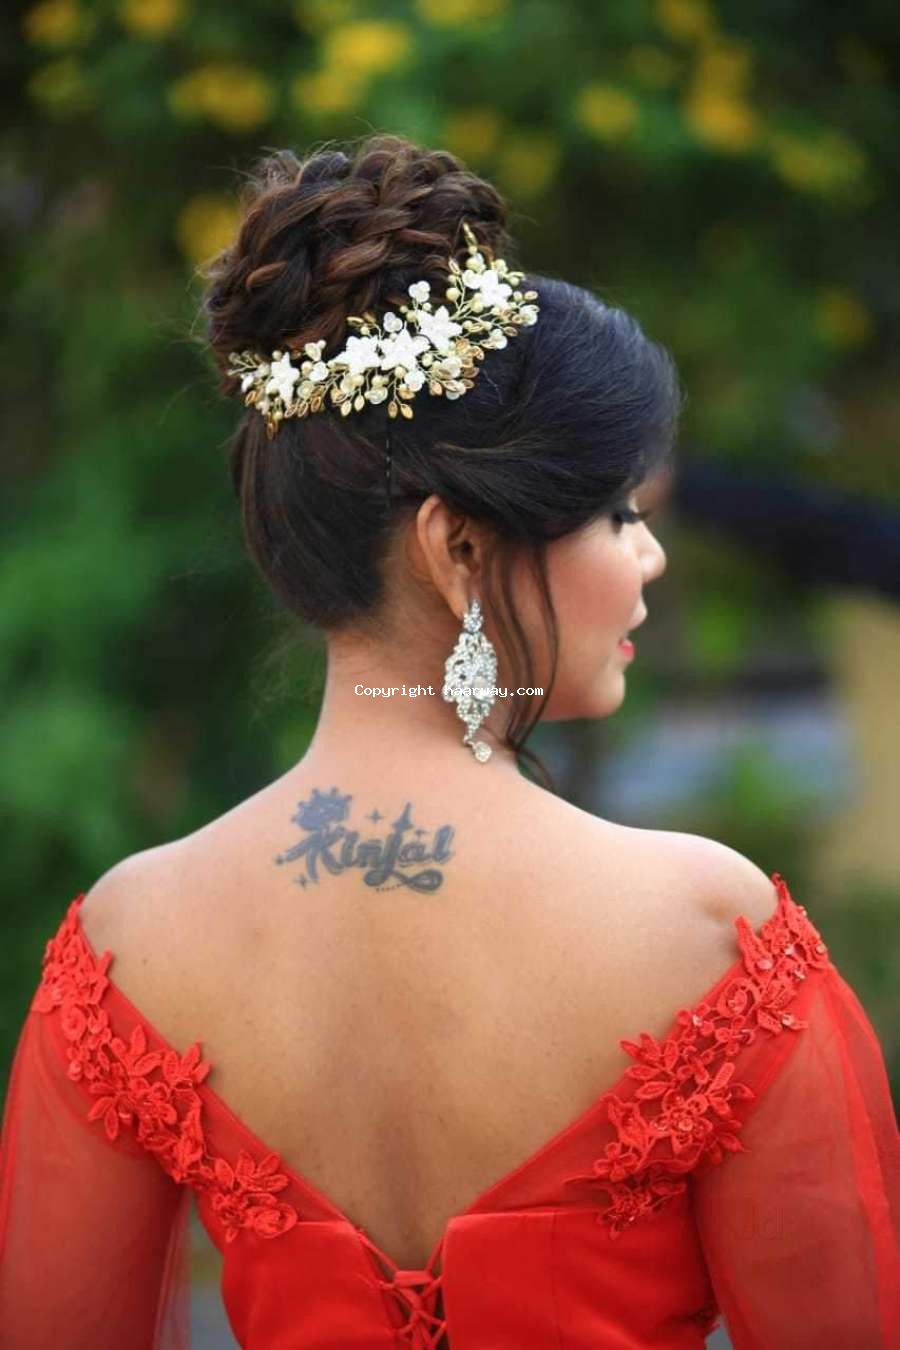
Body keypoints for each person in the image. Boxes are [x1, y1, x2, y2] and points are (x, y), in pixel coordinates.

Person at [1, 132, 897, 1349]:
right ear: (458, 547)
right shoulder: (708, 933)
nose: (649, 557)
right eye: (614, 511)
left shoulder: (130, 943)